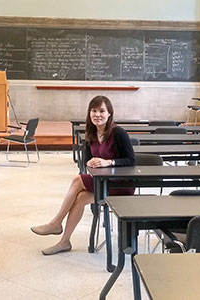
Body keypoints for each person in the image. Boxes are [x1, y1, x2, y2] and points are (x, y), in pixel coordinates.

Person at [31, 95, 135, 255]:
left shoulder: (118, 133)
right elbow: (87, 160)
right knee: (79, 199)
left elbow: (130, 160)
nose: (97, 114)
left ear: (109, 114)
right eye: (94, 111)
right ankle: (64, 242)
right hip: (103, 182)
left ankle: (56, 223)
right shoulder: (91, 134)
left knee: (77, 179)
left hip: (121, 184)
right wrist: (90, 163)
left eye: (102, 111)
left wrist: (109, 162)